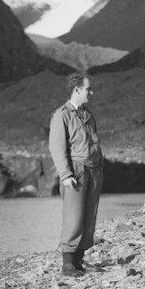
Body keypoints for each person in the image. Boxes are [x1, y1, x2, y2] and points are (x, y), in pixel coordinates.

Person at [49, 71, 103, 277]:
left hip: (94, 170)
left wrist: (99, 168)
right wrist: (66, 174)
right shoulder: (61, 115)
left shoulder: (88, 114)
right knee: (74, 215)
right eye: (88, 88)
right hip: (76, 171)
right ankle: (68, 263)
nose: (91, 92)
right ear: (77, 90)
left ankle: (79, 258)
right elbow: (56, 147)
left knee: (89, 215)